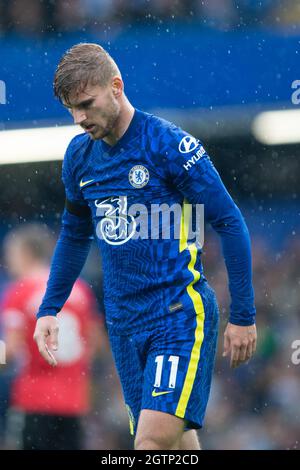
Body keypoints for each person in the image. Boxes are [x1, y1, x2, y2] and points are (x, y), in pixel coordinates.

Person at [34, 43, 257, 450]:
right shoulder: (79, 158)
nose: (79, 118)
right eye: (71, 109)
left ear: (116, 86)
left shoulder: (170, 146)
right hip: (123, 325)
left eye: (86, 103)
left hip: (177, 314)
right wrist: (50, 307)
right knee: (177, 444)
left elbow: (229, 221)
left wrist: (243, 315)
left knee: (150, 444)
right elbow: (73, 234)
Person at [1, 223, 102, 450]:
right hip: (75, 401)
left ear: (25, 253)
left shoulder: (20, 291)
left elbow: (11, 349)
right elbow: (95, 342)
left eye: (11, 255)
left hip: (34, 399)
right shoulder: (79, 289)